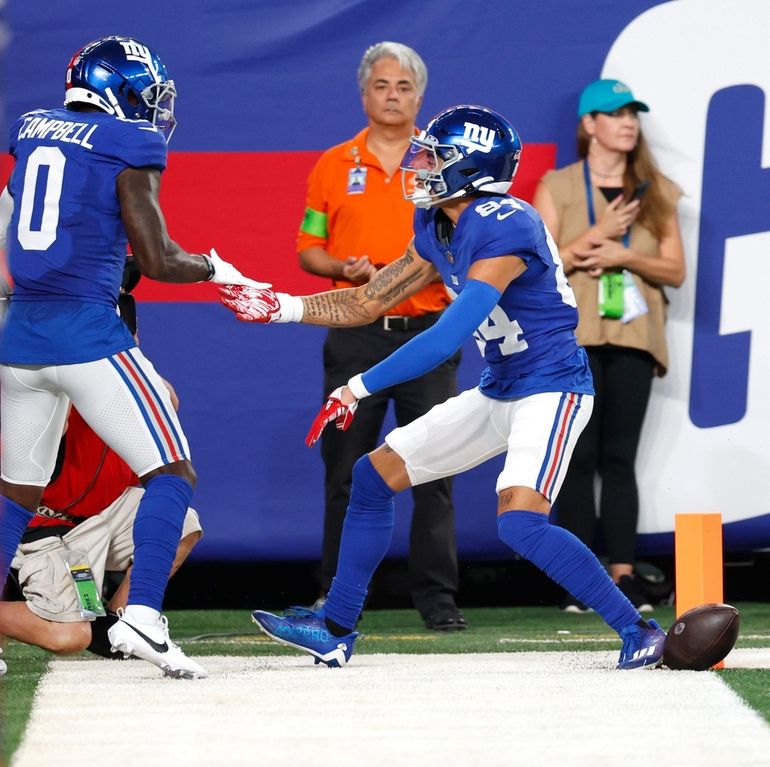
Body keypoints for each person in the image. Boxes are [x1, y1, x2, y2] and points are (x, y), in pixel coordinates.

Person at [220, 104, 668, 670]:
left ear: (471, 168)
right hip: (501, 385)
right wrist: (280, 307)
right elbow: (367, 299)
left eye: (434, 156)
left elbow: (446, 335)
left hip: (551, 388)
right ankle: (335, 626)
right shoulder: (437, 224)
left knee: (520, 522)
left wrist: (356, 387)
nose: (421, 165)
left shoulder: (507, 223)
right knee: (373, 475)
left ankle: (638, 628)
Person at [0, 35, 266, 679]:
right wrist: (214, 267)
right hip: (86, 332)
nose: (153, 112)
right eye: (146, 96)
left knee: (14, 492)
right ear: (114, 88)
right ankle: (142, 616)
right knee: (172, 472)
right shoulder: (131, 142)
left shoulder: (31, 128)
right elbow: (156, 259)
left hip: (19, 335)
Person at [295, 42, 464, 631]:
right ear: (363, 93)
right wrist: (343, 269)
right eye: (382, 85)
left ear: (420, 96)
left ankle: (439, 603)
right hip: (356, 337)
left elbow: (467, 237)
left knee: (434, 471)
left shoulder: (440, 165)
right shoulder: (332, 165)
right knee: (344, 472)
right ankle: (335, 600)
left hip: (429, 336)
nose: (393, 95)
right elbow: (309, 247)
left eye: (404, 86)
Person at [532, 78, 685, 613]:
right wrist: (597, 239)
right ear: (589, 125)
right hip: (571, 336)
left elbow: (676, 270)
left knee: (620, 458)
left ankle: (622, 575)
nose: (628, 123)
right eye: (615, 114)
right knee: (576, 456)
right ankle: (582, 580)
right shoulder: (557, 186)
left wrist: (626, 256)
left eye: (632, 115)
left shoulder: (655, 189)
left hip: (634, 336)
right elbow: (538, 263)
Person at [0, 260, 201, 666]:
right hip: (50, 527)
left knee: (182, 524)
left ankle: (121, 626)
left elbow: (170, 400)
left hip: (106, 512)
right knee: (68, 635)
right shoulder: (44, 367)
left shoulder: (122, 361)